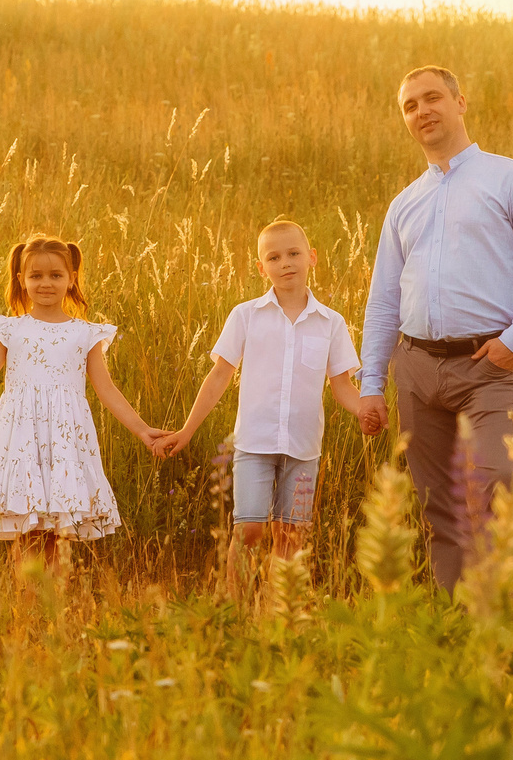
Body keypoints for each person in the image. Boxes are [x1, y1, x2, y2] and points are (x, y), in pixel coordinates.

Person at [356, 65, 513, 589]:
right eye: (410, 105)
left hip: (487, 370)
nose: (422, 111)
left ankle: (501, 630)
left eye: (432, 98)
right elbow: (383, 299)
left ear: (460, 103)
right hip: (416, 373)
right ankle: (454, 632)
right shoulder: (403, 204)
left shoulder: (512, 178)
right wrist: (371, 383)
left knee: (495, 492)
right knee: (437, 510)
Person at [0, 234, 161, 560]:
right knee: (26, 531)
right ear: (21, 280)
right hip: (22, 443)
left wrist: (143, 431)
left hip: (65, 443)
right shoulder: (11, 329)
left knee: (58, 536)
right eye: (36, 276)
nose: (46, 283)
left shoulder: (84, 333)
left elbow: (107, 389)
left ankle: (54, 604)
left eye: (56, 275)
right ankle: (27, 605)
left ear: (72, 279)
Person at [153, 219, 362, 560]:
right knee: (249, 530)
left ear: (312, 257)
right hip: (254, 443)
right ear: (261, 267)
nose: (285, 263)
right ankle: (235, 609)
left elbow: (342, 386)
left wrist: (365, 410)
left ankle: (281, 610)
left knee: (291, 536)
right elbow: (219, 375)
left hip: (304, 446)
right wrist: (187, 431)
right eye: (274, 257)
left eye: (293, 253)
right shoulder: (246, 316)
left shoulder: (331, 323)